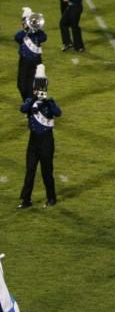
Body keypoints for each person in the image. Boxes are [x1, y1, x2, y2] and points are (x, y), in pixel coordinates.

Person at [18, 65, 60, 209]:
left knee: (46, 171)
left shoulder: (50, 103)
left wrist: (48, 102)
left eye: (41, 89)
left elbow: (58, 112)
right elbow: (23, 109)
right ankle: (26, 200)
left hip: (46, 142)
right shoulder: (30, 102)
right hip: (33, 142)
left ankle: (51, 198)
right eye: (37, 89)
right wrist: (34, 99)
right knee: (30, 170)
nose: (39, 92)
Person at [15, 7, 46, 102]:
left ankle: (37, 105)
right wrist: (26, 30)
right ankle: (28, 102)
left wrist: (37, 29)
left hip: (36, 62)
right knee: (21, 85)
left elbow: (44, 38)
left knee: (37, 85)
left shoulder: (38, 34)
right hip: (24, 62)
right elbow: (17, 38)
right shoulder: (23, 34)